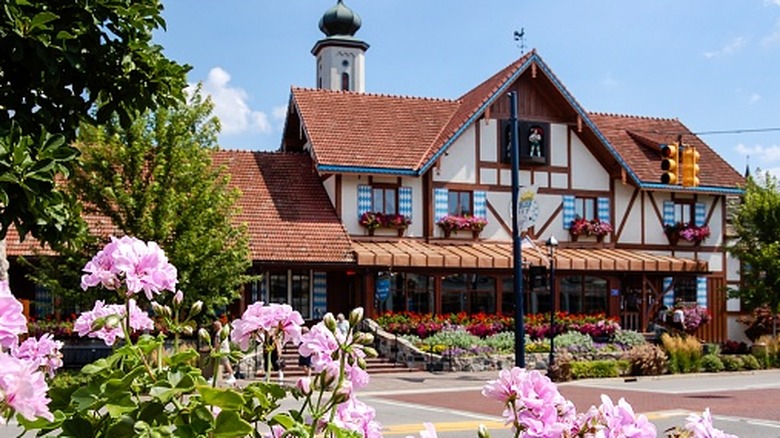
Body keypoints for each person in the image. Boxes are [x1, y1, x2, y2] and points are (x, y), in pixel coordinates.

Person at [212, 320, 236, 385]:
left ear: (217, 326)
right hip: (224, 350)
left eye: (215, 326)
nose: (214, 328)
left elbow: (218, 342)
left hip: (222, 351)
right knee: (218, 364)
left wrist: (215, 349)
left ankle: (232, 376)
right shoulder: (222, 331)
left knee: (226, 363)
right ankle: (214, 378)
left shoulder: (219, 333)